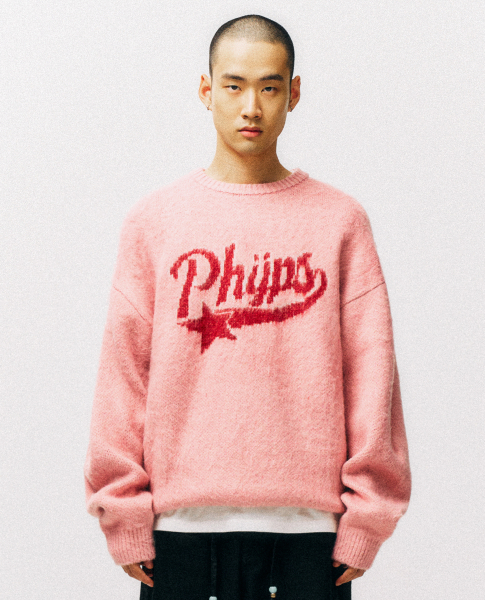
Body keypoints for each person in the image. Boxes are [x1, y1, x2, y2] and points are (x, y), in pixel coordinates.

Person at [84, 14, 412, 600]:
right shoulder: (155, 222)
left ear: (294, 93)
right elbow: (123, 375)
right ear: (206, 90)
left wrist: (368, 517)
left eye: (269, 87)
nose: (251, 107)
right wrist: (122, 509)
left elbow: (372, 375)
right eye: (234, 86)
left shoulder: (340, 221)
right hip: (178, 534)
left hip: (310, 536)